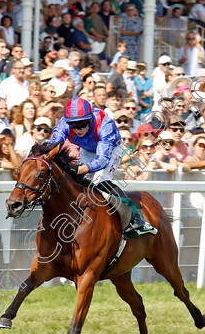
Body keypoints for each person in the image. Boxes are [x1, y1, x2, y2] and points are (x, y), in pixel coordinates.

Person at [46, 98, 156, 237]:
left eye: (81, 124)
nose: (77, 129)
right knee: (81, 184)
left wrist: (80, 169)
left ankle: (136, 219)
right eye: (73, 125)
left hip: (112, 149)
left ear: (90, 120)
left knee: (100, 181)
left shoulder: (104, 124)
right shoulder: (66, 123)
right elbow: (54, 143)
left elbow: (103, 160)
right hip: (87, 149)